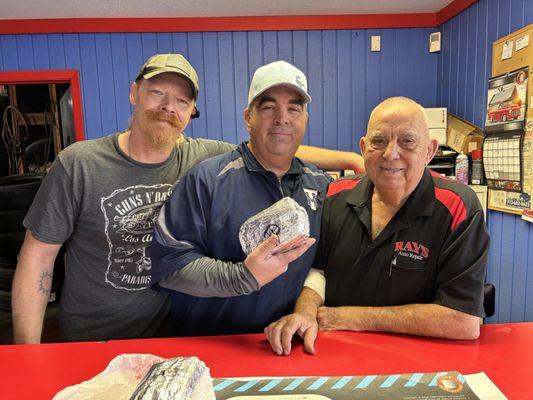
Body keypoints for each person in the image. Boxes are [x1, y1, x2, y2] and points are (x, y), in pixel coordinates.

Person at [11, 53, 363, 343]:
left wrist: (351, 159)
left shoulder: (201, 156)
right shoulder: (79, 163)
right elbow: (37, 260)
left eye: (181, 100)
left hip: (169, 337)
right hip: (93, 337)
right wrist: (28, 351)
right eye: (156, 93)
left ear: (191, 111)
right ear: (134, 93)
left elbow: (276, 145)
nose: (168, 107)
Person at [265, 96, 490, 356]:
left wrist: (351, 318)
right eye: (379, 141)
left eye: (407, 141)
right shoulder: (334, 197)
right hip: (335, 353)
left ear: (429, 151)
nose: (390, 154)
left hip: (421, 361)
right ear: (363, 148)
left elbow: (464, 321)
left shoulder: (459, 206)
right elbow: (319, 271)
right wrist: (305, 313)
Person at [150, 60, 331, 336]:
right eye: (269, 107)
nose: (282, 117)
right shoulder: (207, 180)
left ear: (305, 119)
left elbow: (322, 263)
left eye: (294, 108)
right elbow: (171, 267)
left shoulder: (319, 185)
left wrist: (305, 310)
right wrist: (242, 277)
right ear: (249, 118)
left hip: (285, 346)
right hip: (210, 348)